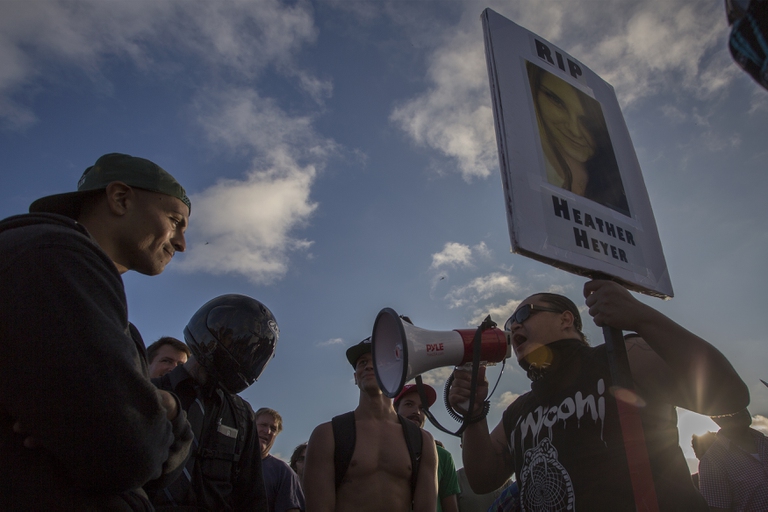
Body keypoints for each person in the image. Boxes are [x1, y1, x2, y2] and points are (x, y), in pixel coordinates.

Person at [449, 279, 750, 511]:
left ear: (566, 319)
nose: (514, 324)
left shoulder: (622, 358)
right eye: (509, 322)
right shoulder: (518, 411)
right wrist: (473, 414)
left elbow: (728, 395)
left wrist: (641, 317)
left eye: (524, 313)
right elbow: (482, 479)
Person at [1, 152, 193, 509]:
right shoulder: (53, 256)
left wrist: (165, 411)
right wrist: (152, 415)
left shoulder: (125, 329)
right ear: (120, 199)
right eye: (174, 221)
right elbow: (124, 451)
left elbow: (157, 476)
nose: (182, 243)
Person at [148, 293, 279, 511]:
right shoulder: (150, 393)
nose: (246, 353)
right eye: (238, 341)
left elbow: (252, 495)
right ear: (214, 328)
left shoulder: (241, 414)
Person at [304, 338, 438, 512]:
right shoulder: (327, 435)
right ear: (355, 377)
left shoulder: (422, 440)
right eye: (362, 363)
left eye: (378, 361)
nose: (368, 366)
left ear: (395, 371)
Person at [527, 61, 630, 216]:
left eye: (587, 121)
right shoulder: (530, 170)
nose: (575, 131)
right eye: (557, 102)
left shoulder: (621, 198)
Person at [394, 383, 460, 512]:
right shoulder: (382, 449)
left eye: (422, 408)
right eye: (409, 404)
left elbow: (450, 506)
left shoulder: (443, 456)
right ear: (394, 410)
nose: (416, 412)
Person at [698, 408, 768, 511]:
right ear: (716, 418)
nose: (740, 410)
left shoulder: (764, 442)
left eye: (741, 405)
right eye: (732, 408)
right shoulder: (712, 462)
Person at [256, 407, 306, 512]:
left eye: (273, 429)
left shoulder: (283, 472)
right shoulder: (229, 463)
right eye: (263, 425)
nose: (267, 431)